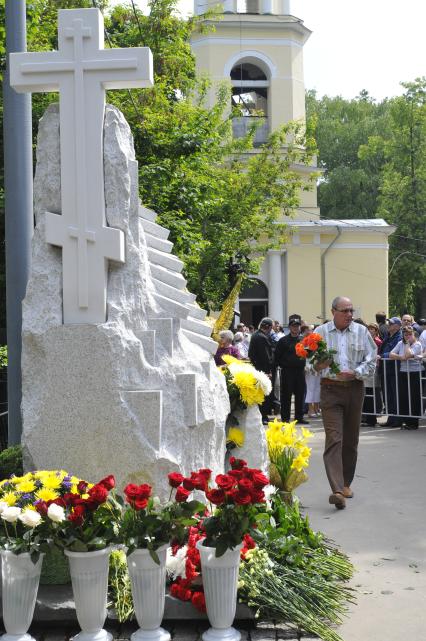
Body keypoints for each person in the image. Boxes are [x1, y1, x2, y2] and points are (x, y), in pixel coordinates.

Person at [312, 296, 377, 510]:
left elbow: (372, 358)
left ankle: (346, 483)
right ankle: (337, 490)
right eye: (345, 311)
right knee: (334, 438)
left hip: (355, 389)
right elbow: (307, 361)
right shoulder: (320, 333)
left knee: (351, 439)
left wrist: (356, 373)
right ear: (333, 312)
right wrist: (318, 365)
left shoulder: (361, 331)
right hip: (330, 389)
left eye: (351, 310)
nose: (350, 315)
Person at [275, 318, 309, 425]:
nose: (296, 328)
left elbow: (309, 354)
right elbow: (277, 356)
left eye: (297, 326)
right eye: (294, 326)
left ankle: (299, 417)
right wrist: (281, 365)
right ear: (289, 327)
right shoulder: (283, 340)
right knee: (286, 395)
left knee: (300, 394)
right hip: (287, 371)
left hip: (300, 371)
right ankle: (285, 418)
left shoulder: (303, 339)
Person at [389, 326, 423, 429]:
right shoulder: (400, 343)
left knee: (414, 397)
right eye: (405, 335)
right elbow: (391, 354)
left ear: (414, 335)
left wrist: (407, 344)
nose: (407, 336)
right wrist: (400, 357)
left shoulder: (417, 344)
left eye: (409, 334)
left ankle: (413, 422)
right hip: (403, 372)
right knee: (404, 397)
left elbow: (408, 355)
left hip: (415, 373)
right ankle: (407, 421)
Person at [248, 317, 275, 424]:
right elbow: (265, 356)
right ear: (268, 327)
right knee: (264, 393)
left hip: (257, 369)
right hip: (263, 370)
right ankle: (263, 416)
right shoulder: (262, 337)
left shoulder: (256, 335)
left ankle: (262, 415)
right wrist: (268, 371)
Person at [378, 317, 403, 427]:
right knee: (388, 395)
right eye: (389, 323)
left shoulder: (399, 337)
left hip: (394, 369)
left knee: (395, 395)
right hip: (386, 369)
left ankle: (397, 419)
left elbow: (394, 352)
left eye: (391, 324)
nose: (389, 325)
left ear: (398, 326)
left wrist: (381, 356)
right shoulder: (388, 336)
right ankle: (391, 418)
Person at [362, 323, 383, 426]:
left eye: (372, 329)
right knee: (366, 394)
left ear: (376, 331)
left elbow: (377, 354)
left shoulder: (378, 341)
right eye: (369, 329)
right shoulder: (365, 340)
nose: (370, 330)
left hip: (374, 369)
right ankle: (366, 418)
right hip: (365, 369)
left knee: (372, 394)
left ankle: (371, 419)